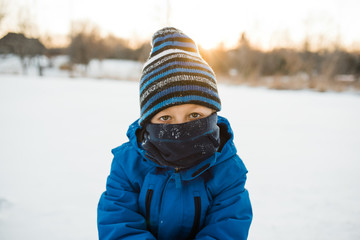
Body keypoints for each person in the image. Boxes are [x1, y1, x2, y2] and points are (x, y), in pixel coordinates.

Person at [97, 27, 252, 240]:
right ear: (148, 122)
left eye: (195, 115)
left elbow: (227, 230)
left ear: (213, 115)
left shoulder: (227, 169)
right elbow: (119, 225)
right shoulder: (128, 164)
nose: (180, 129)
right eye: (165, 118)